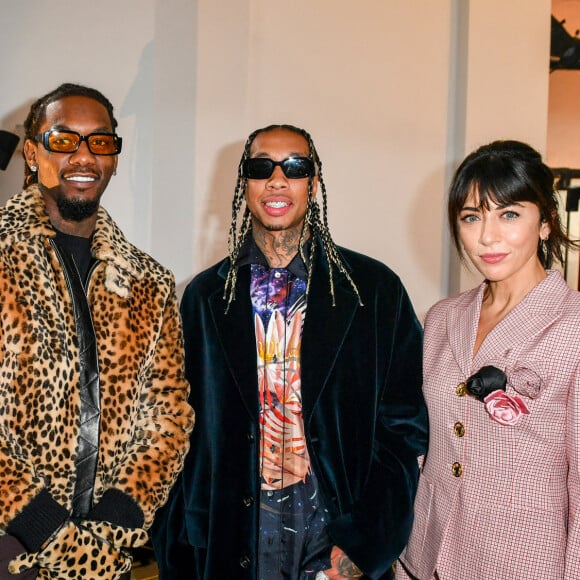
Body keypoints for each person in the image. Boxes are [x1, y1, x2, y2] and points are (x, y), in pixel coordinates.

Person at [152, 124, 428, 580]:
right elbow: (181, 430)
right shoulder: (204, 298)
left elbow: (404, 428)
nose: (277, 179)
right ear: (245, 182)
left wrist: (367, 541)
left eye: (295, 167)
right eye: (262, 167)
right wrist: (175, 542)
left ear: (313, 182)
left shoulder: (374, 291)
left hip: (333, 540)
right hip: (228, 540)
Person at [0, 83, 194, 579]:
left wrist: (114, 525)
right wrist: (47, 530)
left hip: (107, 554)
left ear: (113, 158)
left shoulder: (147, 279)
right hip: (10, 547)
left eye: (100, 142)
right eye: (63, 140)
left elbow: (168, 417)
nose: (83, 156)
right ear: (32, 151)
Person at [396, 140, 580, 579]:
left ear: (546, 223)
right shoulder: (442, 318)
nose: (487, 236)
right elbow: (424, 446)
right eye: (472, 217)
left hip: (521, 562)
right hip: (427, 555)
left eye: (509, 214)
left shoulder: (573, 325)